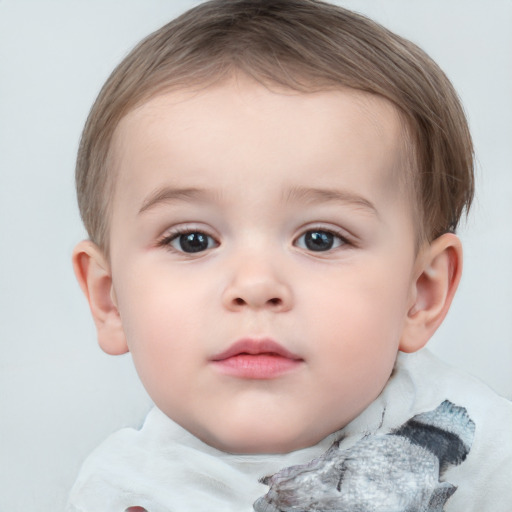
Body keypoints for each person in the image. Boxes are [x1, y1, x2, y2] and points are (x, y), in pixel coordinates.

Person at [67, 1, 512, 510]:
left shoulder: (487, 456)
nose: (256, 284)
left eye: (320, 239)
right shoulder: (121, 495)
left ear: (421, 293)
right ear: (110, 299)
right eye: (192, 240)